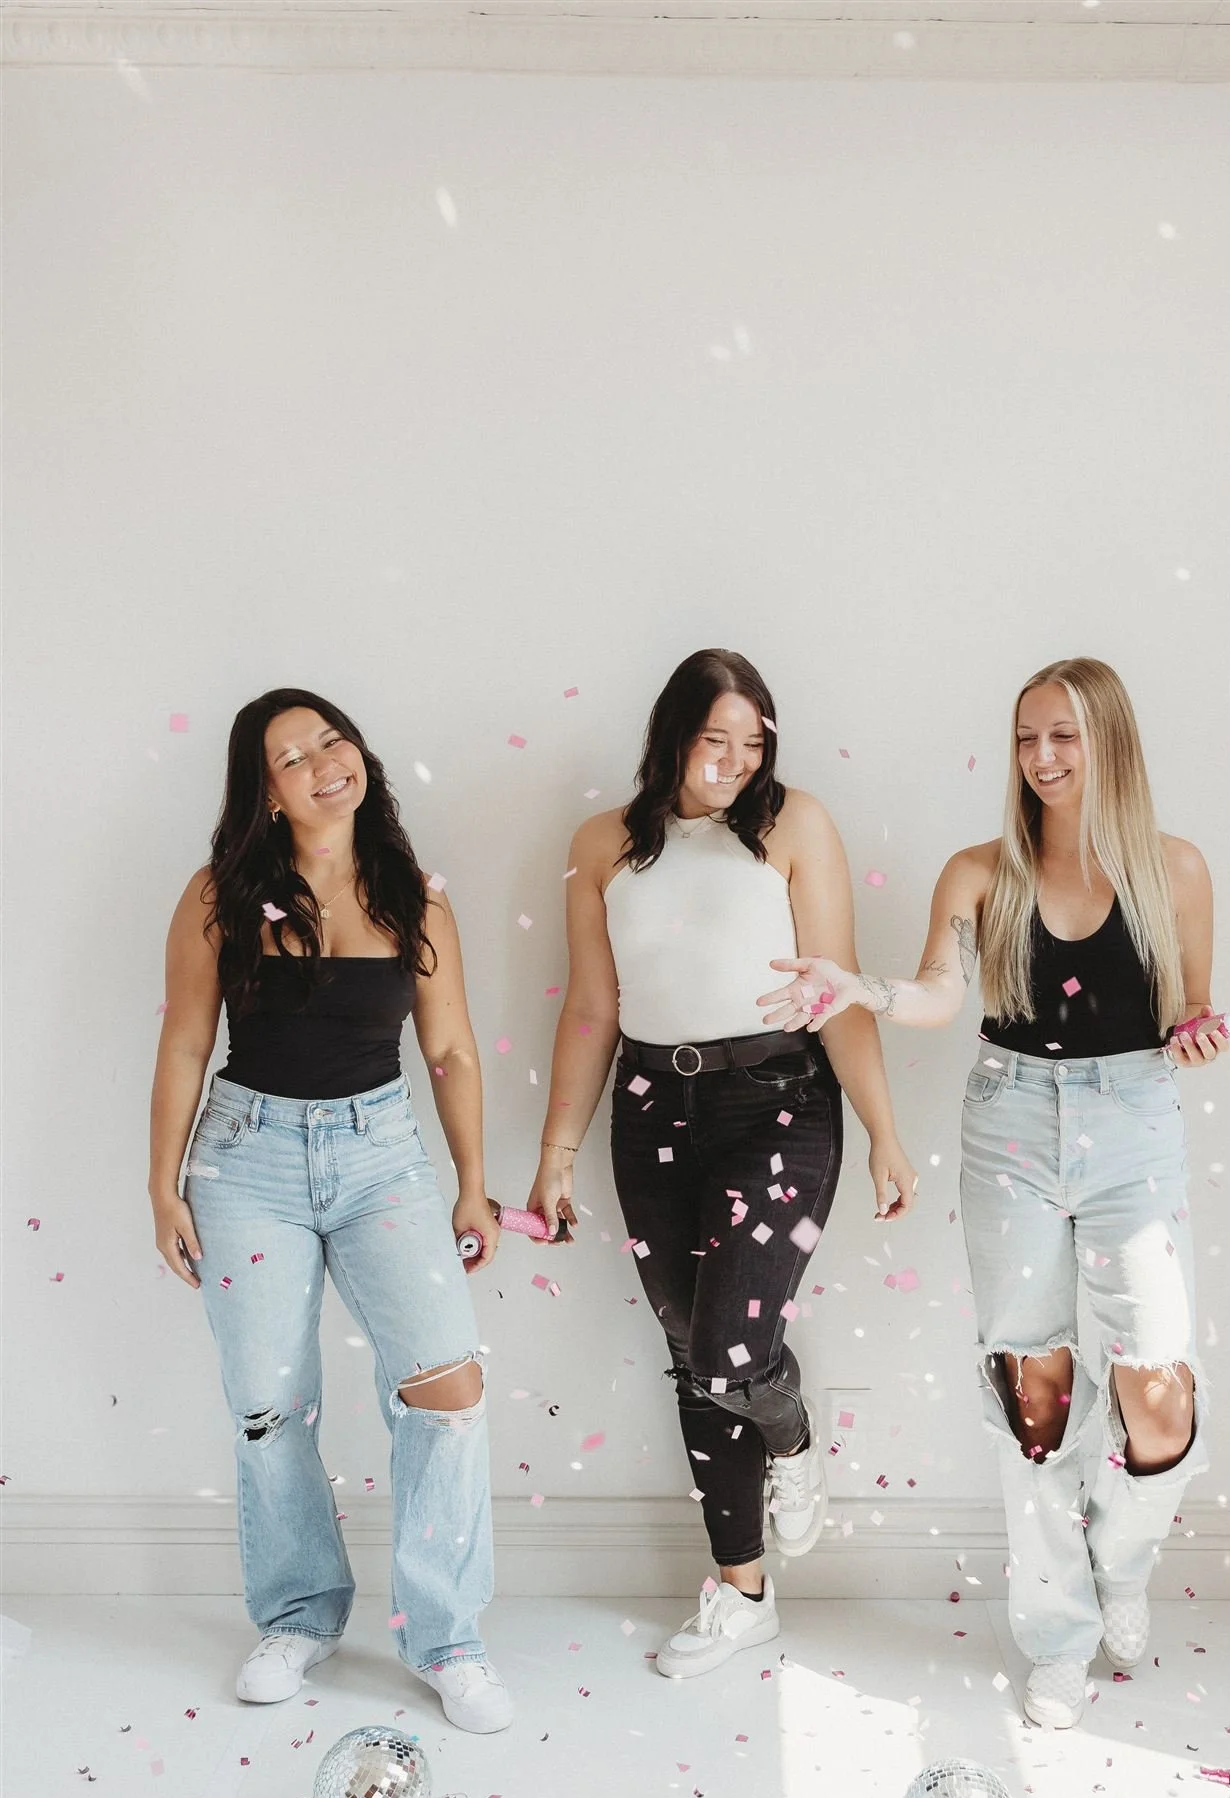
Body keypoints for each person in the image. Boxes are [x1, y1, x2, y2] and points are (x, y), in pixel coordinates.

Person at [761, 657, 1229, 1728]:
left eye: (1064, 735)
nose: (1044, 758)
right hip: (1010, 1120)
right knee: (1038, 1390)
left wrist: (1199, 1036)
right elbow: (937, 991)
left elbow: (1191, 1010)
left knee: (1157, 1384)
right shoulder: (980, 871)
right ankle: (1057, 1632)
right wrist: (861, 986)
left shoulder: (1177, 870)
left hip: (1132, 1122)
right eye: (1027, 737)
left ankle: (1121, 1559)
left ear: (1109, 741)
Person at [527, 650, 917, 1679]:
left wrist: (883, 1128)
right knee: (686, 1351)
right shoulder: (603, 843)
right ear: (672, 734)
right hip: (652, 1104)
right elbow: (592, 1007)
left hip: (777, 1103)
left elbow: (830, 992)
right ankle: (741, 1591)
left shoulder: (794, 825)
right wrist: (555, 1149)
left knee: (727, 1357)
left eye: (755, 743)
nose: (738, 763)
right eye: (717, 741)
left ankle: (789, 1436)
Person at [148, 689, 511, 1731]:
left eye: (331, 741)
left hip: (381, 1154)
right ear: (263, 788)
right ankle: (300, 1613)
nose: (321, 764)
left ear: (360, 755)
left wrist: (471, 1179)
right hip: (244, 1161)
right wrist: (161, 1182)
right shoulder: (219, 893)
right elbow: (183, 1041)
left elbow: (448, 1048)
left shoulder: (415, 895)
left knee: (447, 1390)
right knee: (268, 1403)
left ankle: (446, 1636)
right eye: (291, 756)